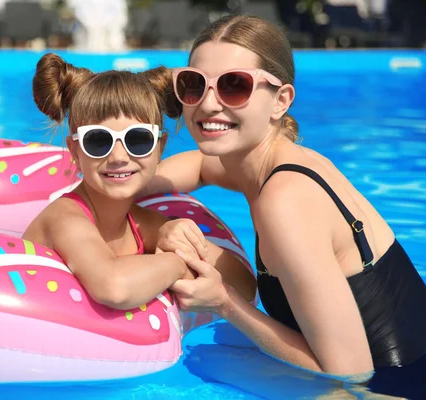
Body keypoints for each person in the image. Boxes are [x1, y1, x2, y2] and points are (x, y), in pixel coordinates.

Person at [142, 15, 426, 397]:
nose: (208, 105)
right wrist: (121, 187)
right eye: (194, 85)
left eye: (234, 86)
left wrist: (223, 301)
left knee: (207, 361)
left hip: (389, 387)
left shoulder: (285, 201)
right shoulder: (267, 162)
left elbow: (349, 374)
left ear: (281, 100)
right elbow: (198, 166)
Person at [22, 53, 256, 311]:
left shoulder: (140, 224)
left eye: (138, 140)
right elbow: (114, 287)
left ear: (159, 147)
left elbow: (243, 284)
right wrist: (178, 263)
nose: (119, 157)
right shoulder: (64, 219)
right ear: (75, 151)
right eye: (98, 141)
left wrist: (174, 232)